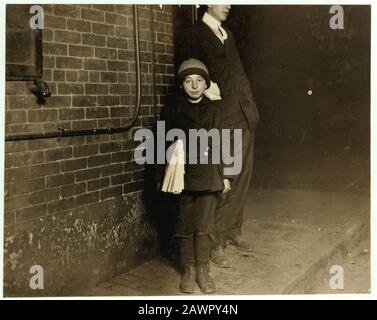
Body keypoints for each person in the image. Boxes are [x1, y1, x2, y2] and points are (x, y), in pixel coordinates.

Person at [178, 5, 260, 268]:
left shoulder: (228, 34)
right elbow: (191, 79)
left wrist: (251, 110)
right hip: (219, 120)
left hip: (243, 116)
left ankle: (233, 229)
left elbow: (239, 74)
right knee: (222, 179)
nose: (228, 5)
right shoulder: (194, 35)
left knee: (242, 176)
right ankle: (215, 242)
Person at [157, 58, 230, 294]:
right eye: (188, 81)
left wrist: (226, 175)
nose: (194, 85)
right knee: (185, 223)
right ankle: (188, 269)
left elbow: (222, 144)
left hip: (209, 175)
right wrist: (163, 175)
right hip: (183, 176)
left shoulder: (214, 111)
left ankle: (203, 269)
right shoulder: (172, 111)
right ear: (182, 85)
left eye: (199, 80)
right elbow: (161, 145)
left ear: (206, 84)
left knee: (204, 225)